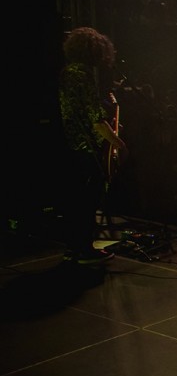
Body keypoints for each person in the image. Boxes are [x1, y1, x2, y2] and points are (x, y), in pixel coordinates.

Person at [57, 27, 128, 264]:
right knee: (88, 200)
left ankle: (74, 248)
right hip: (85, 146)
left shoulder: (68, 72)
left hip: (71, 145)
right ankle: (85, 250)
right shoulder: (82, 75)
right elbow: (94, 118)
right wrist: (118, 142)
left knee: (76, 201)